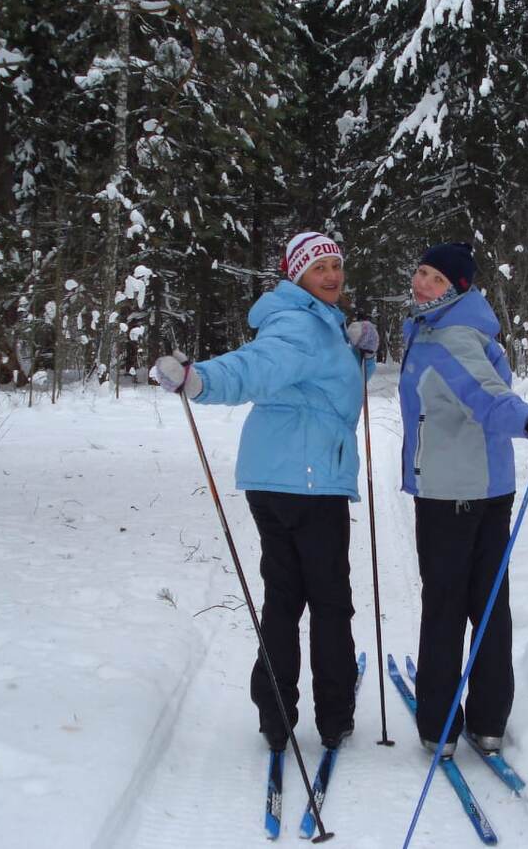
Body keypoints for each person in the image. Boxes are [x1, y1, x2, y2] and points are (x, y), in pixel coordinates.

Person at [153, 231, 378, 752]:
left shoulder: (317, 324)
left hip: (277, 479)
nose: (331, 275)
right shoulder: (301, 326)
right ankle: (333, 717)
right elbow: (256, 368)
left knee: (284, 597)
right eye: (318, 266)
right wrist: (199, 380)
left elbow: (317, 383)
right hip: (309, 483)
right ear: (296, 275)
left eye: (335, 264)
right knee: (327, 603)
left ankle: (276, 718)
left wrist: (360, 353)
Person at [398, 241, 528, 756]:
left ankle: (440, 726)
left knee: (446, 609)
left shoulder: (448, 338)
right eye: (420, 273)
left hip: (450, 496)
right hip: (489, 489)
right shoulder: (456, 330)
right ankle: (488, 720)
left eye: (435, 279)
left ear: (459, 288)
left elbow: (488, 399)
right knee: (489, 605)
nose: (422, 284)